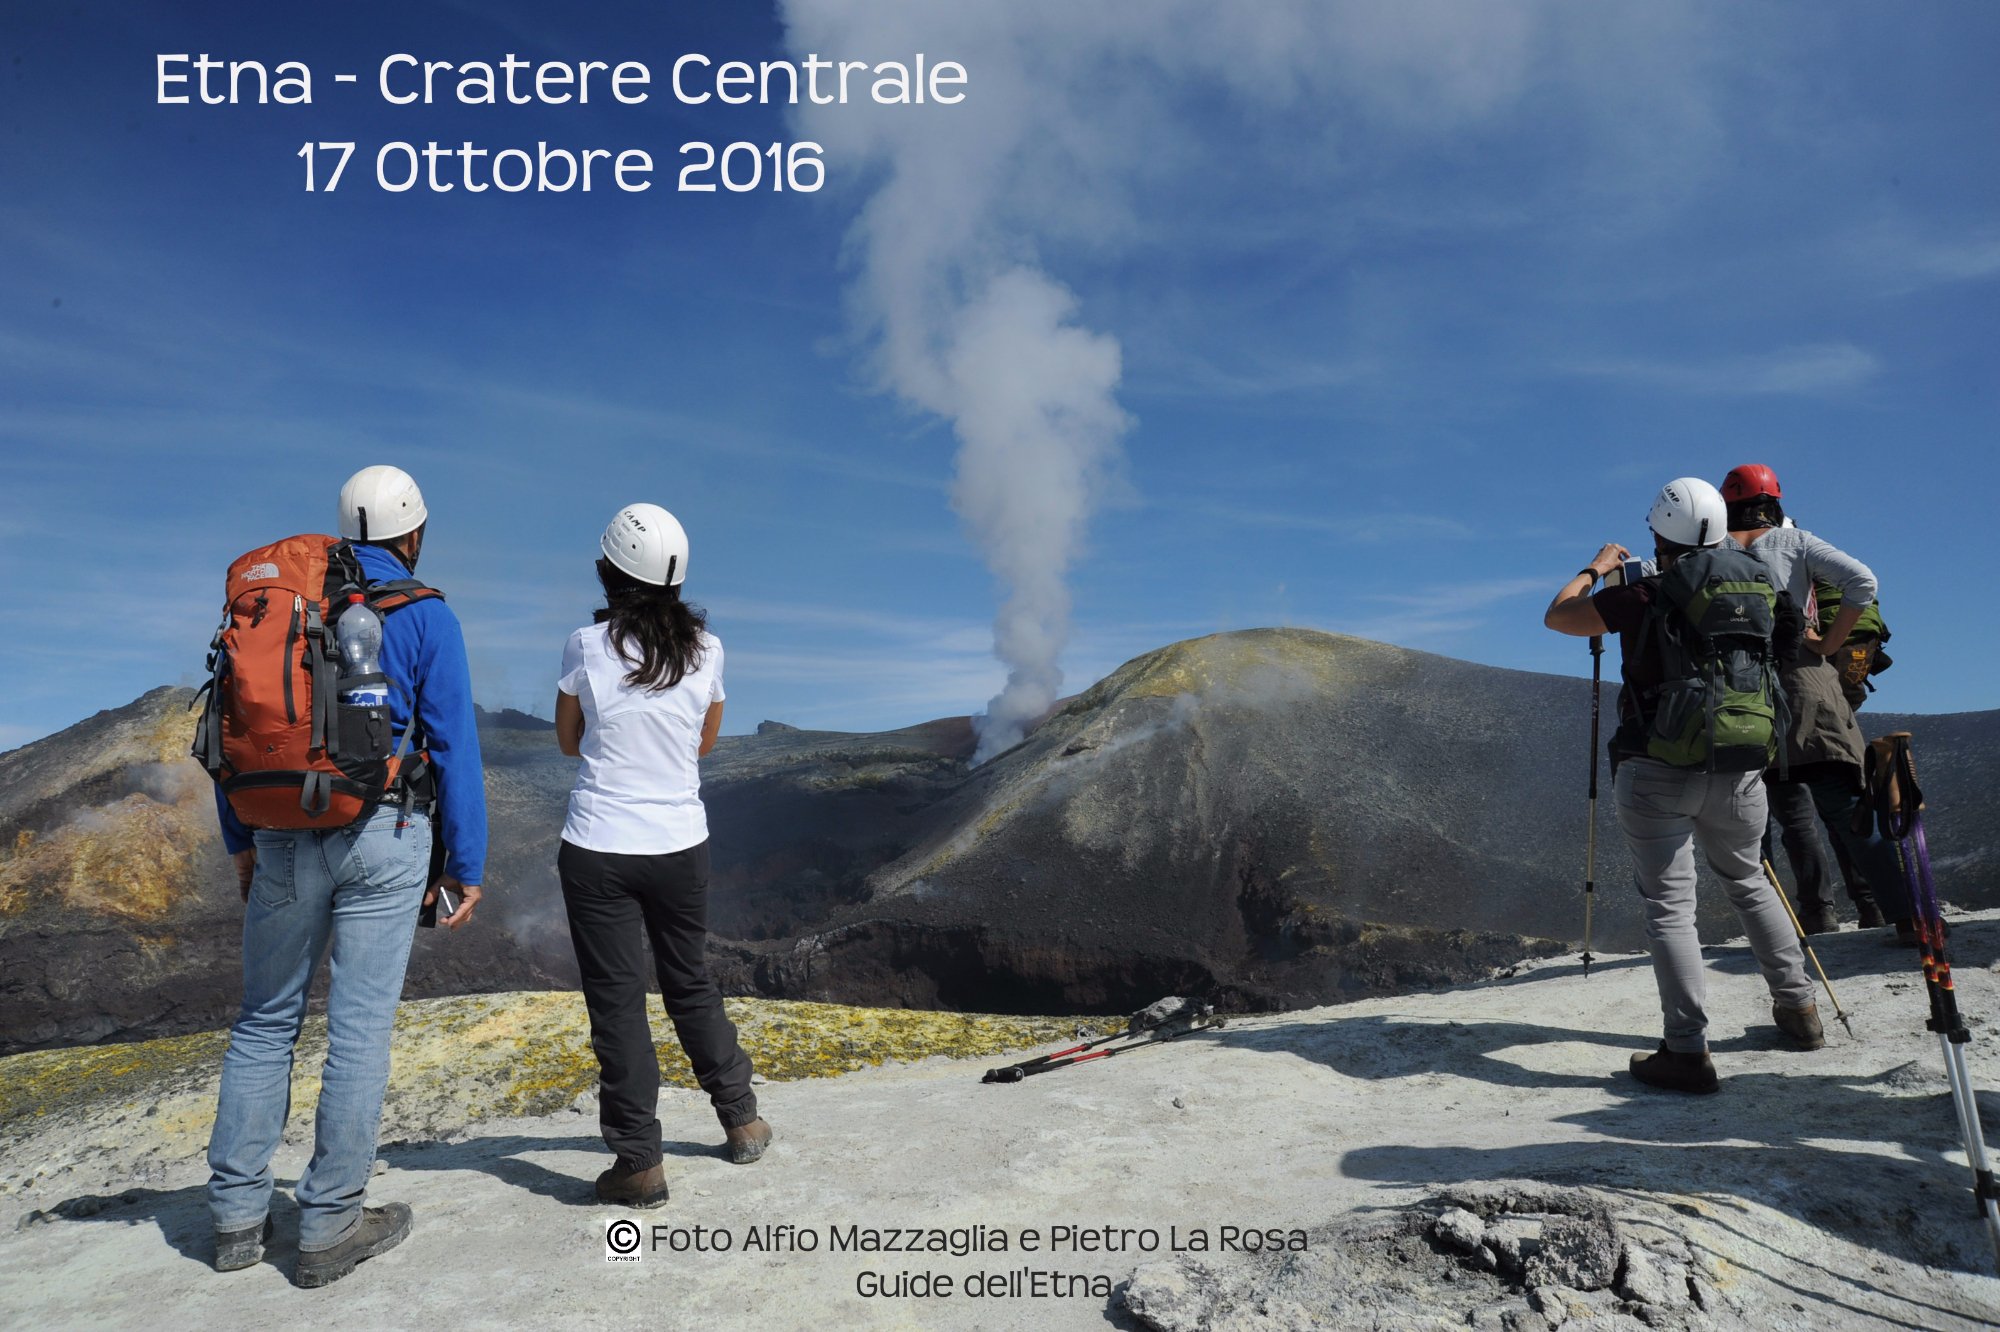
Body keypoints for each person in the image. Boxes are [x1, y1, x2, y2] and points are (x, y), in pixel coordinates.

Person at [206, 465, 486, 1285]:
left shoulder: (282, 607)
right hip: (385, 832)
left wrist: (242, 840)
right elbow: (457, 743)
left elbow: (237, 729)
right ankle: (328, 1225)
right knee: (358, 1032)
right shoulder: (426, 615)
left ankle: (233, 1221)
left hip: (281, 833)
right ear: (415, 533)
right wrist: (464, 865)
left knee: (264, 1022)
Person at [1545, 476, 1821, 1094]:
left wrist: (1594, 569)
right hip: (1741, 764)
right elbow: (1793, 644)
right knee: (1750, 880)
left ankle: (1687, 1052)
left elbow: (1558, 618)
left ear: (1659, 533)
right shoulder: (1760, 586)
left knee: (1672, 907)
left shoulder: (1646, 591)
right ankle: (1799, 1011)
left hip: (1656, 766)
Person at [555, 503, 771, 1209]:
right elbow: (703, 742)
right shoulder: (708, 650)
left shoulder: (584, 646)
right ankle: (741, 1118)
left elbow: (567, 739)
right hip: (682, 843)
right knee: (691, 981)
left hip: (598, 848)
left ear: (610, 572)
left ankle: (639, 1163)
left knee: (617, 1004)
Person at [1719, 464, 1904, 936]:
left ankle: (1810, 921)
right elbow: (1863, 581)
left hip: (1744, 697)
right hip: (1809, 690)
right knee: (1848, 812)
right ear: (1775, 501)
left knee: (1784, 816)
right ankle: (1902, 916)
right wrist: (1824, 645)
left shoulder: (1712, 551)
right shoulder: (1797, 542)